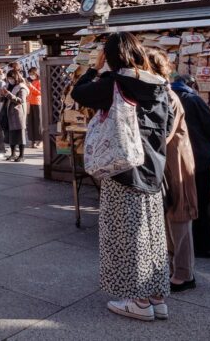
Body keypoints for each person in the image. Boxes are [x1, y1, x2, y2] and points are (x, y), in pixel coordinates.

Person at [71, 32, 172, 322]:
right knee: (151, 234)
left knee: (126, 234)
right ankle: (157, 297)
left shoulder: (113, 83)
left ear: (111, 57)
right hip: (153, 168)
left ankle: (138, 301)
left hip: (123, 168)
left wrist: (94, 68)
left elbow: (78, 93)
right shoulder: (159, 85)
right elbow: (164, 127)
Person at [148, 50, 198, 294]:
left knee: (179, 215)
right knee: (171, 215)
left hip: (175, 161)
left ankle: (184, 273)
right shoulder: (162, 93)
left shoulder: (167, 96)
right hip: (167, 160)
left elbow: (164, 133)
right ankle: (176, 269)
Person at [172, 75, 210, 259]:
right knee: (201, 204)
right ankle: (204, 246)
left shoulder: (166, 97)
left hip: (175, 160)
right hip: (198, 159)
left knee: (180, 203)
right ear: (192, 85)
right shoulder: (193, 99)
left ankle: (184, 246)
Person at [0, 68, 29, 162]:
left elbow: (21, 100)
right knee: (11, 135)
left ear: (16, 77)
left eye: (11, 78)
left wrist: (9, 94)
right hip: (9, 113)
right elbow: (2, 98)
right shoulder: (8, 86)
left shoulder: (21, 87)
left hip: (18, 113)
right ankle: (12, 154)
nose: (9, 80)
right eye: (8, 78)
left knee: (20, 135)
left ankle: (22, 155)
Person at [27, 67, 43, 148]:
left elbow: (39, 93)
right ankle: (32, 140)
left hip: (37, 103)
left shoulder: (39, 81)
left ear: (36, 73)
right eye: (30, 74)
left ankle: (40, 140)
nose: (31, 76)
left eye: (32, 74)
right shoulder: (32, 81)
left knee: (38, 122)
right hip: (30, 103)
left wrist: (31, 87)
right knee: (30, 123)